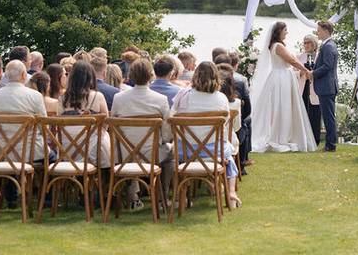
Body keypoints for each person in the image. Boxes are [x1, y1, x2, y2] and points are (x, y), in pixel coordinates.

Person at [172, 61, 242, 208]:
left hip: (185, 152)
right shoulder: (221, 98)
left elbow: (172, 118)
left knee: (173, 153)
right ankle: (231, 192)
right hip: (213, 151)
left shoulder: (183, 95)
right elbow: (224, 124)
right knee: (228, 153)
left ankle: (180, 196)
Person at [111, 58, 173, 207]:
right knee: (172, 155)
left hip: (124, 155)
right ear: (151, 75)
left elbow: (114, 128)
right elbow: (167, 134)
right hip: (153, 155)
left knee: (132, 149)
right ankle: (162, 197)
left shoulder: (118, 98)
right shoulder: (161, 100)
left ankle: (133, 196)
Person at [0, 60, 47, 207]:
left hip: (1, 152)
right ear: (24, 75)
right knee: (51, 157)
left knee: (10, 152)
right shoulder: (35, 96)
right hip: (30, 153)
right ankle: (46, 198)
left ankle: (11, 197)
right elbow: (43, 126)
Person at [249, 22, 317, 153]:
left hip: (282, 76)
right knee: (282, 106)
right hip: (281, 78)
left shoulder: (275, 45)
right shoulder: (278, 46)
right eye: (285, 30)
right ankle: (281, 136)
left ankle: (284, 134)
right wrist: (306, 71)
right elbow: (292, 61)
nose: (287, 32)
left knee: (283, 106)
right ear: (279, 31)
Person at [60, 60, 110, 169]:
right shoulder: (98, 96)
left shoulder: (62, 98)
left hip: (66, 149)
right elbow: (106, 124)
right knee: (104, 137)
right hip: (92, 150)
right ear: (90, 77)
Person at [311, 20, 340, 152]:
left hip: (327, 86)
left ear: (326, 31)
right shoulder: (328, 45)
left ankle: (330, 144)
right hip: (327, 86)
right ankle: (330, 143)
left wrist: (313, 73)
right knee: (328, 115)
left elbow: (327, 66)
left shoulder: (328, 46)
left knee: (328, 116)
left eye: (319, 30)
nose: (317, 32)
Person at [298, 34, 323, 146]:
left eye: (309, 43)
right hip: (303, 88)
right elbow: (292, 72)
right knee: (302, 114)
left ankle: (315, 139)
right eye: (305, 43)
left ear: (314, 44)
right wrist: (301, 73)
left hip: (315, 89)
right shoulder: (299, 57)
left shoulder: (320, 57)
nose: (307, 45)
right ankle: (303, 140)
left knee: (315, 114)